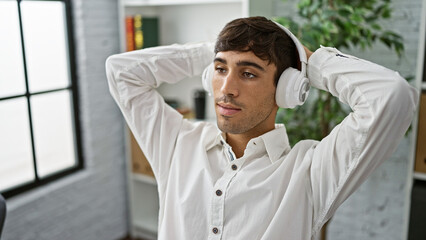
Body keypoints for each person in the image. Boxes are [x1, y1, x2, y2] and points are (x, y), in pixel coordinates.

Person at [105, 16, 418, 240]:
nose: (226, 88)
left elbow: (391, 96)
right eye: (220, 69)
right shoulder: (177, 143)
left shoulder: (308, 172)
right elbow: (121, 71)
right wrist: (216, 48)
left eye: (248, 73)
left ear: (285, 89)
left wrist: (309, 63)